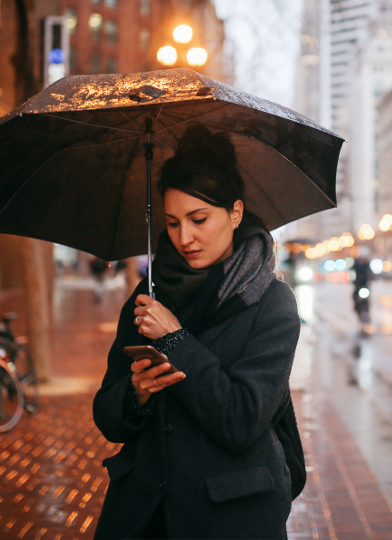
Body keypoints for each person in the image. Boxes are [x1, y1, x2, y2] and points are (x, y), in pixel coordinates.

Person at [92, 126, 301, 540]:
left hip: (231, 518)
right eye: (172, 222)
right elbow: (107, 416)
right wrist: (136, 395)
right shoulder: (148, 296)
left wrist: (175, 340)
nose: (184, 237)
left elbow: (242, 420)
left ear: (235, 213)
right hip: (144, 516)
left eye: (198, 219)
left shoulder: (272, 303)